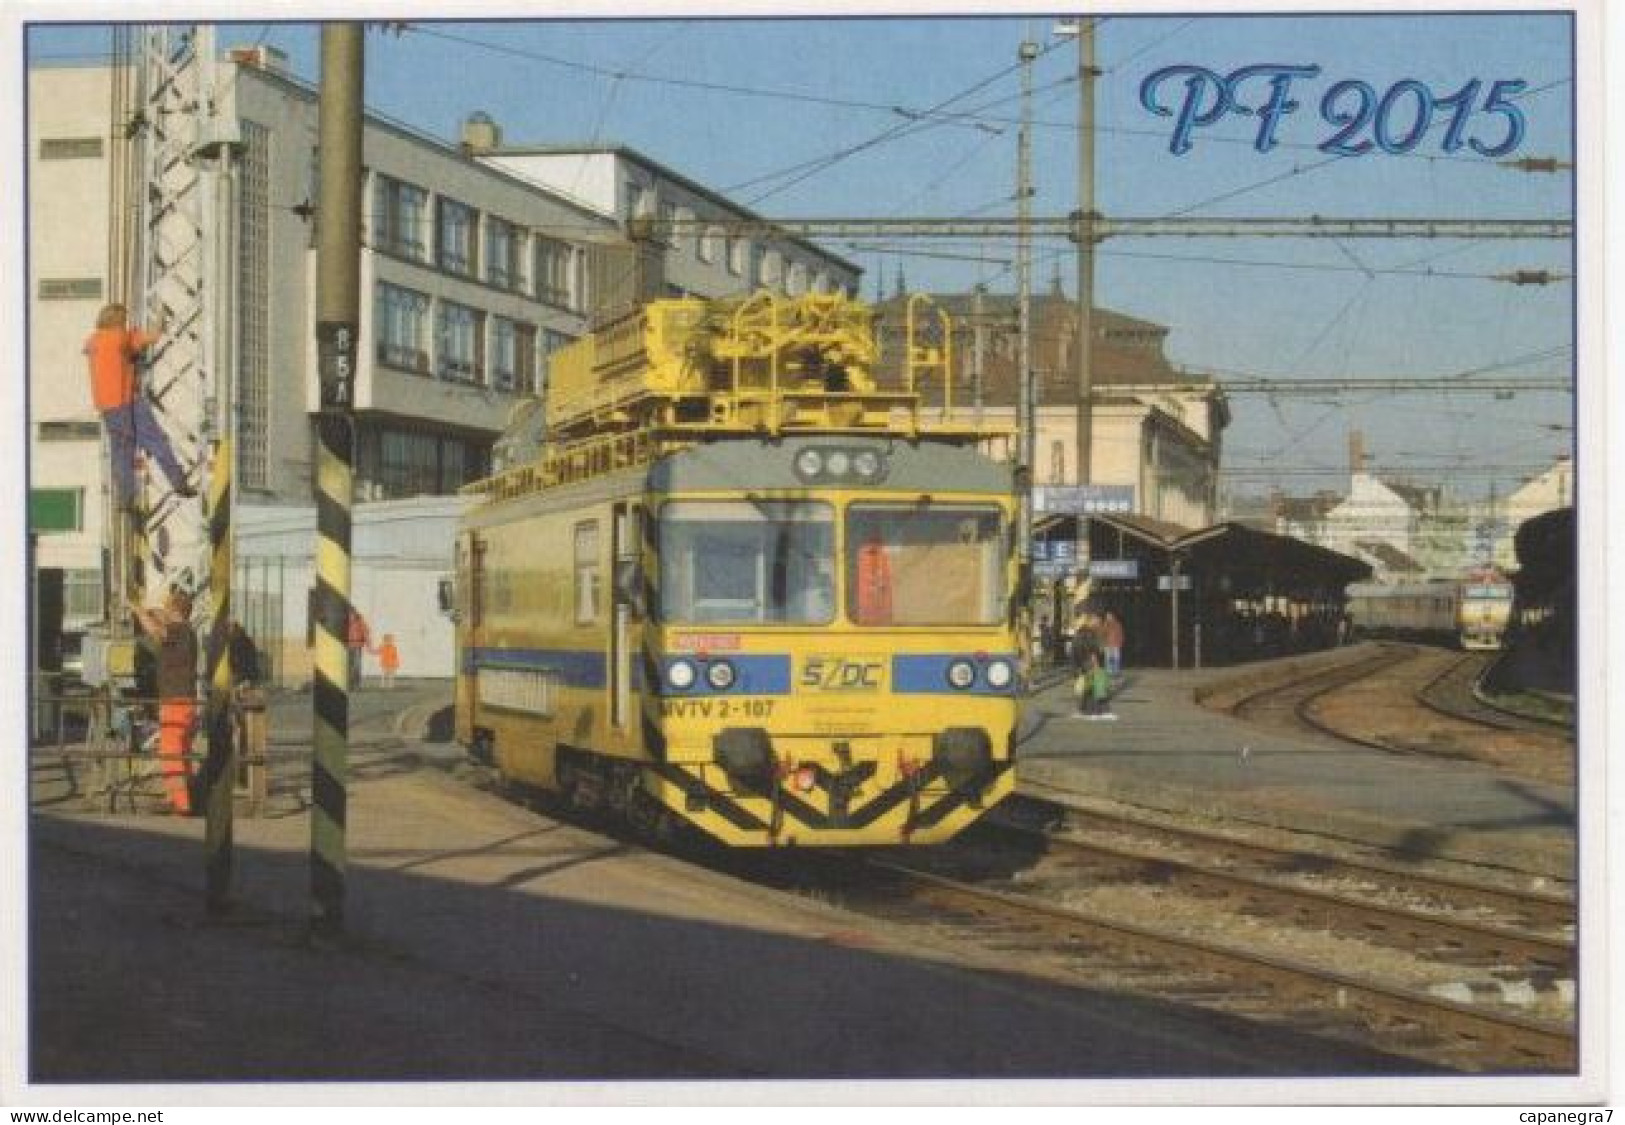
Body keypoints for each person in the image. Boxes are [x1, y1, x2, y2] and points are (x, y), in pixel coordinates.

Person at [84, 303, 193, 509]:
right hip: (128, 401)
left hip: (107, 406)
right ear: (118, 320)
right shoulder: (121, 336)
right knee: (155, 440)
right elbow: (152, 337)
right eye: (124, 319)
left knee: (121, 451)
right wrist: (161, 318)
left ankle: (126, 497)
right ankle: (178, 481)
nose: (126, 322)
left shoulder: (93, 341)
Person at [131, 587, 198, 815]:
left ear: (175, 610)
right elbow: (158, 620)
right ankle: (183, 795)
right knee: (182, 752)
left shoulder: (178, 630)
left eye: (168, 608)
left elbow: (155, 630)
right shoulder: (186, 630)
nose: (164, 612)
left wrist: (138, 610)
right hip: (185, 699)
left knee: (170, 751)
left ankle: (179, 802)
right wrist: (149, 608)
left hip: (176, 701)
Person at [346, 608, 371, 689]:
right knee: (349, 665)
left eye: (352, 614)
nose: (350, 616)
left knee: (356, 665)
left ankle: (356, 684)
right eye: (349, 615)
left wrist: (368, 644)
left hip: (357, 645)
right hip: (348, 645)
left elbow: (366, 632)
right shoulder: (345, 623)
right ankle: (349, 683)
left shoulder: (360, 621)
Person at [1102, 610, 1125, 677]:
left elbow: (1121, 634)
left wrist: (1120, 643)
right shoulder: (1105, 624)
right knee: (1108, 659)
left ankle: (1116, 673)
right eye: (1107, 616)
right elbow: (1102, 634)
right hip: (1107, 645)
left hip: (1116, 645)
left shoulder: (1118, 624)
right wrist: (1105, 624)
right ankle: (1109, 673)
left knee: (1116, 659)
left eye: (1109, 616)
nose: (1108, 617)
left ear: (1113, 616)